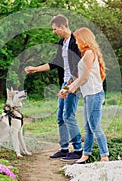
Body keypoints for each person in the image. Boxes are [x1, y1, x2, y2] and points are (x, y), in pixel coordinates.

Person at [25, 14, 83, 161]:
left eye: (55, 29)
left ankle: (78, 150)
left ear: (63, 26)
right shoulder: (61, 43)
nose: (54, 31)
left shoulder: (76, 41)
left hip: (74, 83)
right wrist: (35, 69)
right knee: (60, 118)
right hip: (64, 83)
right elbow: (55, 63)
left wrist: (70, 85)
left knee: (68, 116)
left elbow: (80, 66)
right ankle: (64, 149)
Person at [59, 27, 109, 164]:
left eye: (77, 39)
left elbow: (84, 77)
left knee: (95, 126)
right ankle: (85, 155)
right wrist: (67, 88)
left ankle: (104, 156)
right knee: (88, 128)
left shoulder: (89, 53)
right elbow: (78, 77)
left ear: (83, 39)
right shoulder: (85, 54)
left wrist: (70, 89)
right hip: (89, 95)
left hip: (94, 94)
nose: (75, 42)